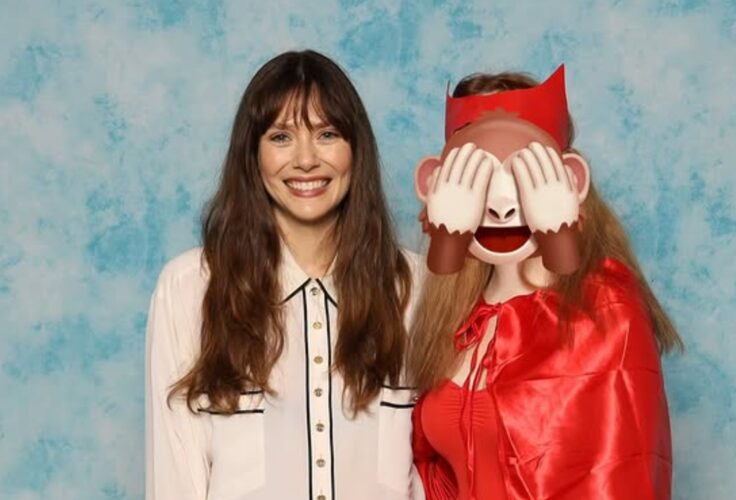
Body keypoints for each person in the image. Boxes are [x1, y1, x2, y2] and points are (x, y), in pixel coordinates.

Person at [145, 50, 422, 500]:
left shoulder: (414, 286)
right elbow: (174, 475)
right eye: (281, 137)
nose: (306, 160)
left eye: (327, 134)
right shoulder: (189, 287)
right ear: (252, 155)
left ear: (356, 150)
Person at [408, 67, 682, 499]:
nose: (500, 203)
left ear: (569, 180)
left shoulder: (605, 308)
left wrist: (558, 237)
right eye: (477, 177)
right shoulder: (454, 317)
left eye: (522, 173)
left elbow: (618, 475)